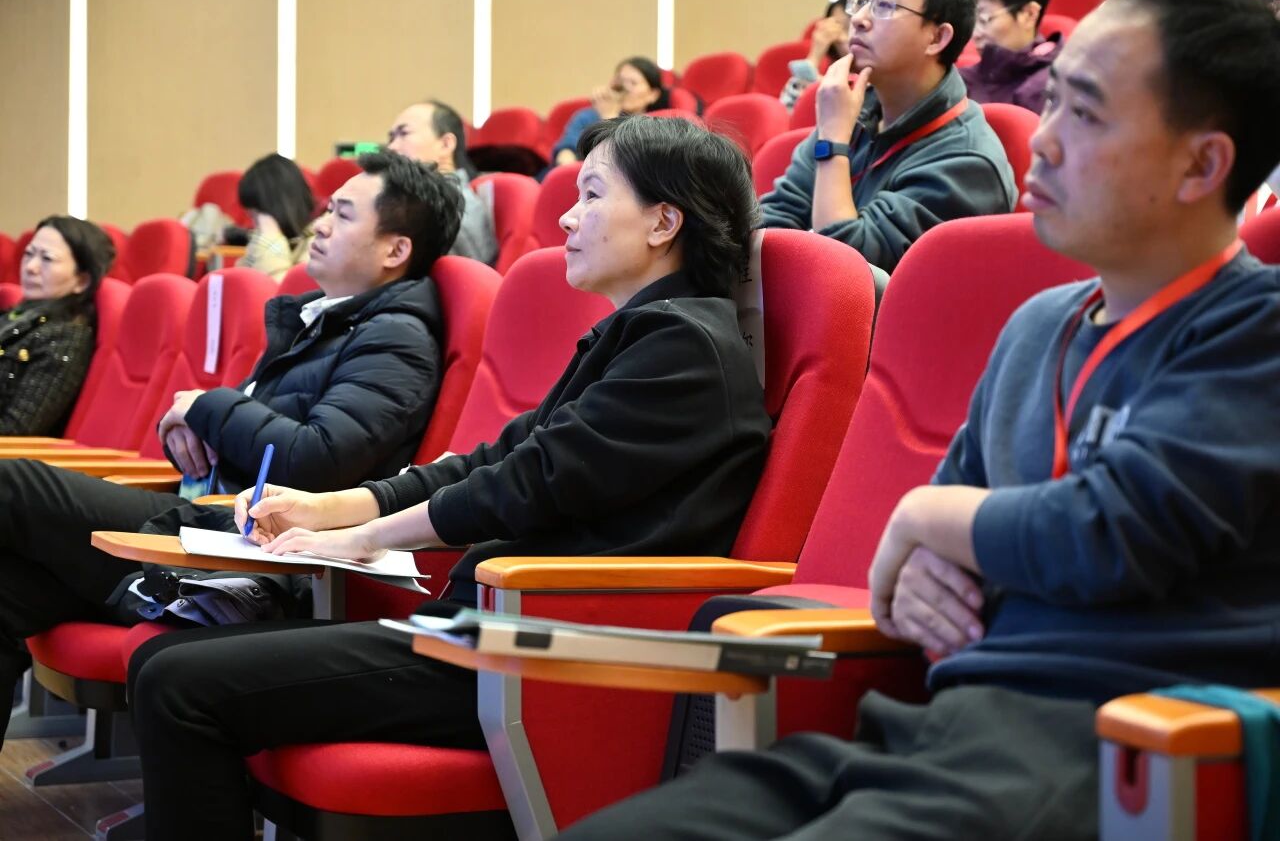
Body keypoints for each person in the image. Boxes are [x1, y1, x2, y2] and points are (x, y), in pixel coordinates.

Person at [556, 0, 1280, 838]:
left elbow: (1110, 531)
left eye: (1085, 115)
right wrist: (939, 539)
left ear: (1201, 165)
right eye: (1051, 103)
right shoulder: (1036, 327)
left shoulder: (1254, 330)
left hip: (1104, 745)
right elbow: (926, 568)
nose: (1043, 139)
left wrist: (925, 517)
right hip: (934, 727)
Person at [125, 115, 772, 841]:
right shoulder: (642, 335)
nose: (567, 215)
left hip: (546, 650)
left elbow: (522, 484)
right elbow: (489, 460)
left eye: (592, 195)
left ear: (663, 221)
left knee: (176, 681)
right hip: (496, 628)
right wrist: (332, 508)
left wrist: (364, 538)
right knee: (165, 662)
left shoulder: (683, 346)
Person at [0, 150, 462, 748]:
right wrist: (193, 426)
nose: (319, 225)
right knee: (7, 587)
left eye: (342, 215)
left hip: (259, 550)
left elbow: (316, 458)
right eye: (326, 210)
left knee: (13, 485)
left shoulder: (395, 338)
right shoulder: (325, 322)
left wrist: (206, 406)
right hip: (212, 519)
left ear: (395, 250)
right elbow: (240, 436)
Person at [761, 0, 1017, 274]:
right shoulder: (856, 110)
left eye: (884, 5)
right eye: (861, 1)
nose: (858, 18)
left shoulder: (968, 161)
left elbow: (845, 273)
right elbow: (773, 219)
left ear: (936, 38)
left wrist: (832, 142)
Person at [0, 216, 114, 435]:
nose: (31, 267)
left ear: (82, 281)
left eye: (47, 259)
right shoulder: (17, 315)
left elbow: (16, 430)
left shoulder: (65, 337)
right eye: (29, 254)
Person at [386, 98, 499, 266]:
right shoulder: (419, 203)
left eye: (404, 134)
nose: (391, 148)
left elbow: (473, 279)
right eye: (391, 138)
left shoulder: (456, 212)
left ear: (446, 144)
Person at [552, 57, 671, 165]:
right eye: (620, 81)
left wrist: (609, 117)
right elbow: (567, 149)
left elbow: (627, 164)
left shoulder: (654, 128)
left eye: (633, 83)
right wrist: (567, 165)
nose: (625, 88)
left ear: (653, 95)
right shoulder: (588, 116)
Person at [960, 0, 1061, 113]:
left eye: (983, 19)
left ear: (1029, 14)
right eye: (973, 21)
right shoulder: (960, 81)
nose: (975, 34)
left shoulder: (1050, 87)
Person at [237, 153, 317, 281]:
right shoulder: (288, 240)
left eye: (256, 216)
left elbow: (283, 290)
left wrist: (270, 239)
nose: (255, 224)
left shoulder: (318, 244)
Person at [779, 0, 857, 112]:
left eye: (850, 28)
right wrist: (815, 54)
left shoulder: (881, 79)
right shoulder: (831, 80)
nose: (841, 37)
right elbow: (788, 111)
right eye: (838, 29)